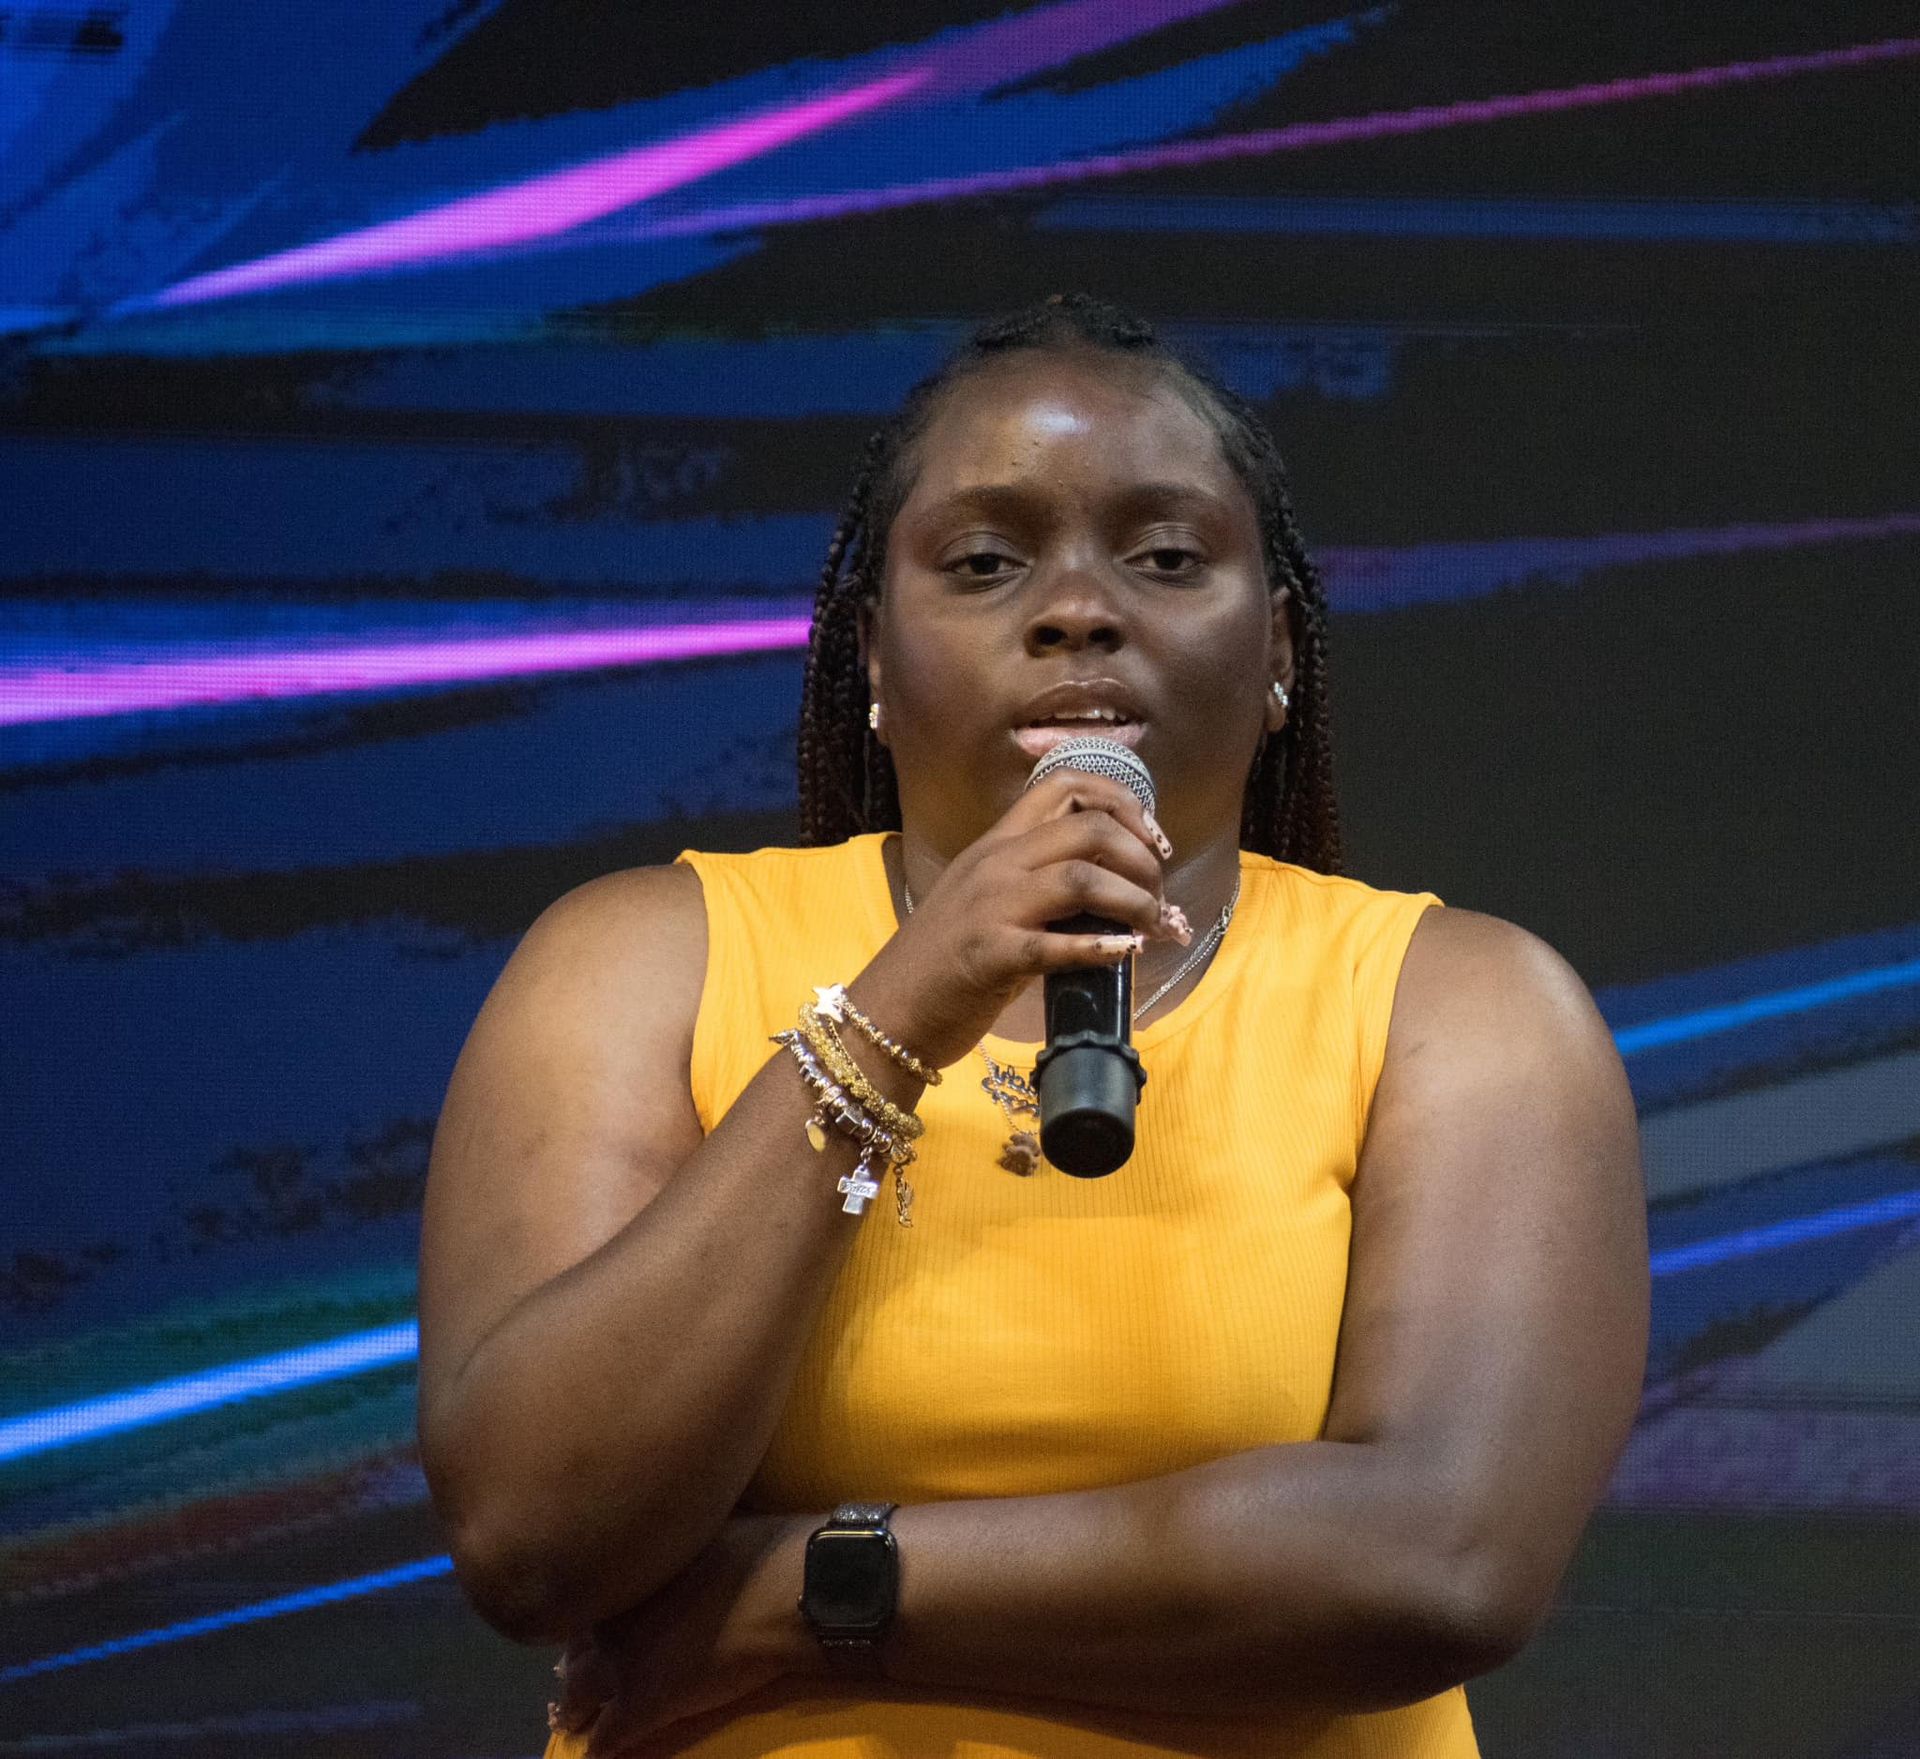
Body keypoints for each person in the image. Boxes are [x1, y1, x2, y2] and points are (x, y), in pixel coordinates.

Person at [417, 294, 1649, 1758]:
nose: (1077, 607)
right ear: (870, 658)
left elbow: (1437, 1561)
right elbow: (533, 1531)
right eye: (988, 560)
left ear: (1278, 658)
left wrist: (809, 1593)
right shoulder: (639, 962)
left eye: (1168, 555)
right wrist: (898, 1009)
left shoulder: (1467, 1007)